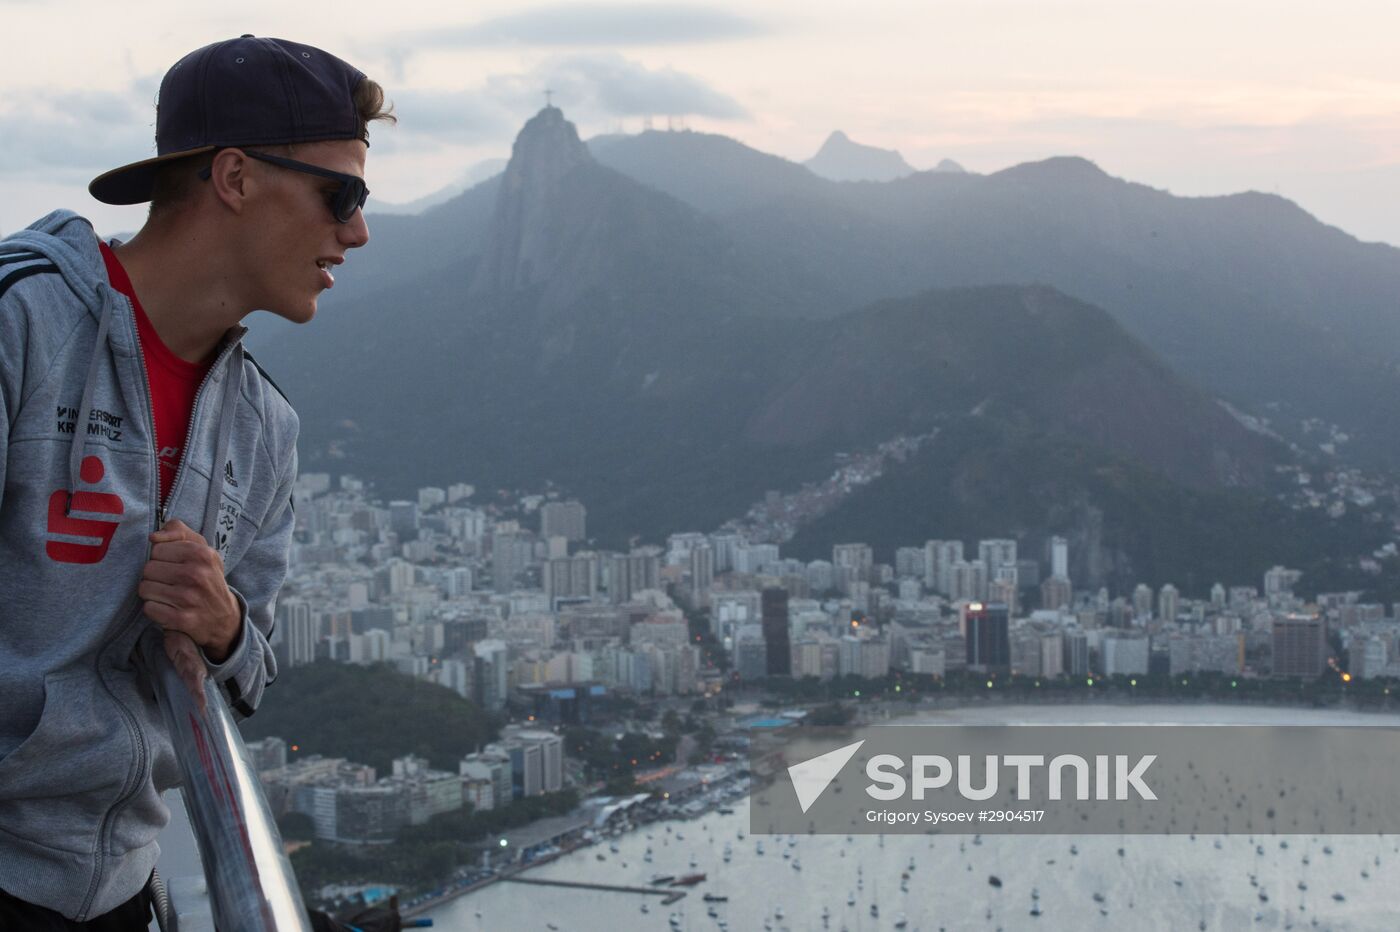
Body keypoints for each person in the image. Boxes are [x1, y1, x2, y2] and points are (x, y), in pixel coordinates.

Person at [0, 35, 392, 927]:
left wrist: (222, 628)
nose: (358, 230)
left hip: (119, 891)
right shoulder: (20, 323)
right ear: (236, 178)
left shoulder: (263, 428)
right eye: (344, 193)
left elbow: (250, 676)